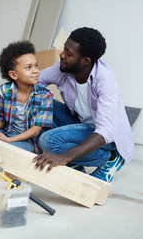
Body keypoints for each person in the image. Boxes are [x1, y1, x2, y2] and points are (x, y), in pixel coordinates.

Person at [32, 27, 134, 182]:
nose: (62, 54)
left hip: (104, 138)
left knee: (48, 141)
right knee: (37, 101)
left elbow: (106, 130)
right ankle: (76, 163)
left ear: (86, 61)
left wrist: (63, 157)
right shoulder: (63, 68)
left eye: (69, 53)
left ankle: (110, 158)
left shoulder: (105, 79)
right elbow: (32, 82)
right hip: (79, 125)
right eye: (64, 49)